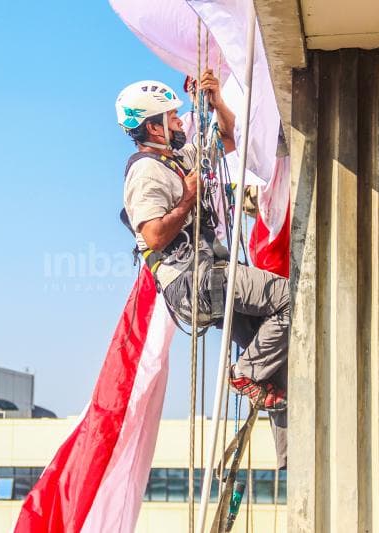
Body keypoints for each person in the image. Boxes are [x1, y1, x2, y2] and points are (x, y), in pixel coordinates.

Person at [116, 72, 289, 415]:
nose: (181, 122)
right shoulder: (146, 171)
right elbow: (153, 235)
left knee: (278, 358)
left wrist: (217, 102)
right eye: (172, 117)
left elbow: (228, 137)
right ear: (153, 128)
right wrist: (188, 199)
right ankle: (246, 373)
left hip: (206, 276)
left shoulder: (182, 159)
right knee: (291, 298)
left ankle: (270, 397)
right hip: (193, 279)